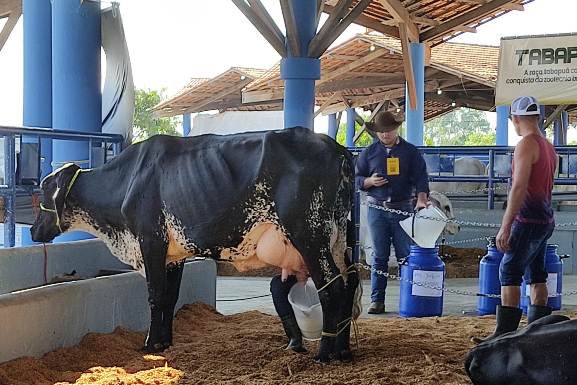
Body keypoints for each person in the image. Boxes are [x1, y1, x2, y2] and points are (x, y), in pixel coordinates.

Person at [476, 96, 557, 343]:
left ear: (516, 118)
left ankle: (505, 336)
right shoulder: (548, 146)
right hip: (545, 218)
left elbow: (519, 186)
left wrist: (505, 225)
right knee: (537, 274)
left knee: (509, 269)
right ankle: (537, 333)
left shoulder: (526, 145)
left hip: (528, 218)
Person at [355, 111, 429, 314]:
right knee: (379, 255)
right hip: (376, 208)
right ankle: (377, 300)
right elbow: (357, 177)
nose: (385, 134)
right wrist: (368, 182)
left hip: (403, 207)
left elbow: (421, 177)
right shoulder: (368, 153)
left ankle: (409, 298)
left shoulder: (411, 152)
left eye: (388, 130)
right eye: (381, 131)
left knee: (405, 255)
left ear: (396, 129)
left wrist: (422, 198)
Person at [270, 220, 356, 352]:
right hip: (301, 270)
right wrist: (294, 267)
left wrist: (315, 271)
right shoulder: (289, 221)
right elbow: (283, 253)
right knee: (277, 285)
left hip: (331, 273)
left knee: (343, 285)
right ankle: (294, 338)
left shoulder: (342, 223)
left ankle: (339, 340)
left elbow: (344, 259)